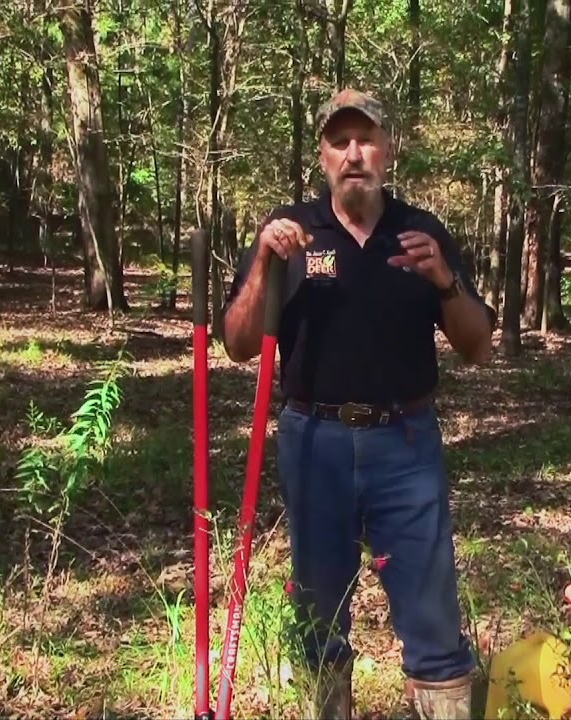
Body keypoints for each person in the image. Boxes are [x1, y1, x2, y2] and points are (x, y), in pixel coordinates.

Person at [220, 88, 496, 719]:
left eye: (365, 140)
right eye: (339, 142)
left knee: (432, 618)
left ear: (388, 151)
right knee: (318, 616)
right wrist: (264, 262)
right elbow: (237, 344)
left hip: (406, 445)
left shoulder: (421, 232)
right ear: (322, 155)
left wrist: (444, 281)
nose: (353, 154)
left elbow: (478, 345)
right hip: (314, 443)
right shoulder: (291, 232)